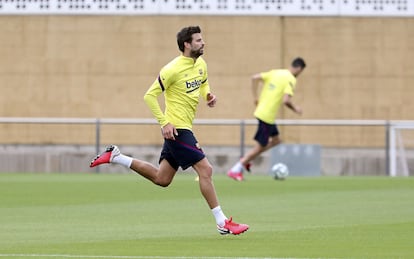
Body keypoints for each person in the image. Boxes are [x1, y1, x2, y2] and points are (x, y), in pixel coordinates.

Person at [90, 26, 249, 235]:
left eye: (202, 40)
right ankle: (222, 222)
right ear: (187, 44)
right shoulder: (172, 69)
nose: (203, 43)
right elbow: (149, 95)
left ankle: (116, 157)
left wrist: (208, 95)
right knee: (206, 170)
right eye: (199, 40)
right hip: (176, 129)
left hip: (183, 127)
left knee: (162, 179)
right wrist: (164, 123)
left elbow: (203, 82)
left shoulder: (201, 64)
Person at [227, 57, 306, 181]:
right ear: (299, 69)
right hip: (266, 116)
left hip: (265, 114)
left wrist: (255, 97)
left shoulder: (276, 72)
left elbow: (254, 78)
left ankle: (248, 159)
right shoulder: (291, 79)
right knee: (259, 147)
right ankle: (236, 168)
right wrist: (296, 109)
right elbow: (286, 100)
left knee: (276, 140)